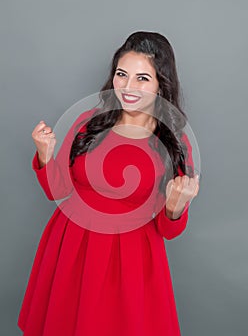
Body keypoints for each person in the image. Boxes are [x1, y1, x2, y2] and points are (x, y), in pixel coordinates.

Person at [18, 31, 200, 336]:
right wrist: (45, 156)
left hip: (129, 262)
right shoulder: (90, 121)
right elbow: (58, 191)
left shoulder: (174, 143)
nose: (128, 87)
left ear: (161, 84)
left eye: (143, 78)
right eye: (121, 74)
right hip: (71, 247)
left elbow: (169, 231)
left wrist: (175, 207)